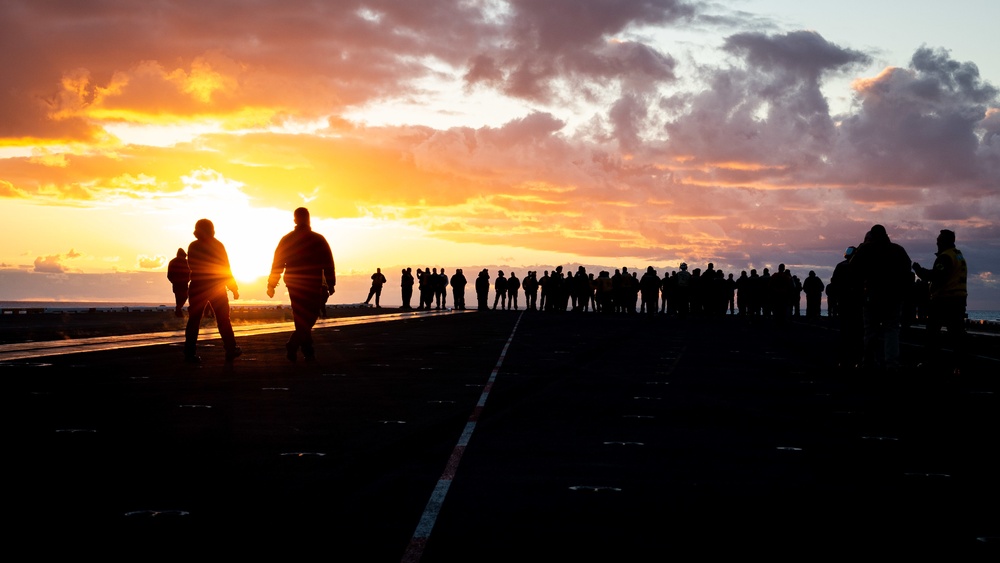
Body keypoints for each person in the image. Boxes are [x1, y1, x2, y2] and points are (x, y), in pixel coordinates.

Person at [267, 207, 336, 362]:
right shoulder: (318, 239)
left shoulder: (288, 239)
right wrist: (331, 283)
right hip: (310, 282)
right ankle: (303, 347)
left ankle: (299, 345)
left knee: (302, 317)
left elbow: (277, 263)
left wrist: (272, 283)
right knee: (310, 315)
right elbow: (328, 263)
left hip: (296, 283)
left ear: (295, 220)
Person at [849, 225, 911, 371]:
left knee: (871, 331)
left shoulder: (866, 250)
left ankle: (869, 362)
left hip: (872, 297)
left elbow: (853, 269)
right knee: (891, 331)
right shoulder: (898, 250)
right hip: (893, 298)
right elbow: (907, 270)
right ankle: (891, 364)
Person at [184, 219, 241, 363]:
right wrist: (233, 287)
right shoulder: (217, 245)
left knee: (194, 321)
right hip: (216, 286)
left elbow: (192, 265)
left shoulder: (193, 246)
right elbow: (225, 267)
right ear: (211, 230)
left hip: (197, 285)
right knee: (223, 319)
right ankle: (231, 348)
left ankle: (189, 354)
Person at [912, 229, 968, 375]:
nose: (937, 242)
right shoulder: (958, 255)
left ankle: (931, 364)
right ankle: (960, 365)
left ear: (945, 241)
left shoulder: (945, 257)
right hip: (959, 299)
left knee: (932, 334)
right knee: (957, 334)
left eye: (939, 239)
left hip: (945, 299)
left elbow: (936, 276)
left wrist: (919, 270)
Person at [166, 248, 191, 317]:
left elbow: (169, 275)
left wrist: (173, 281)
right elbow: (190, 272)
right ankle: (178, 310)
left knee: (179, 298)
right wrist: (187, 279)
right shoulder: (185, 262)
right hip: (181, 283)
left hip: (178, 283)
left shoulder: (172, 262)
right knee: (183, 297)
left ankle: (178, 310)